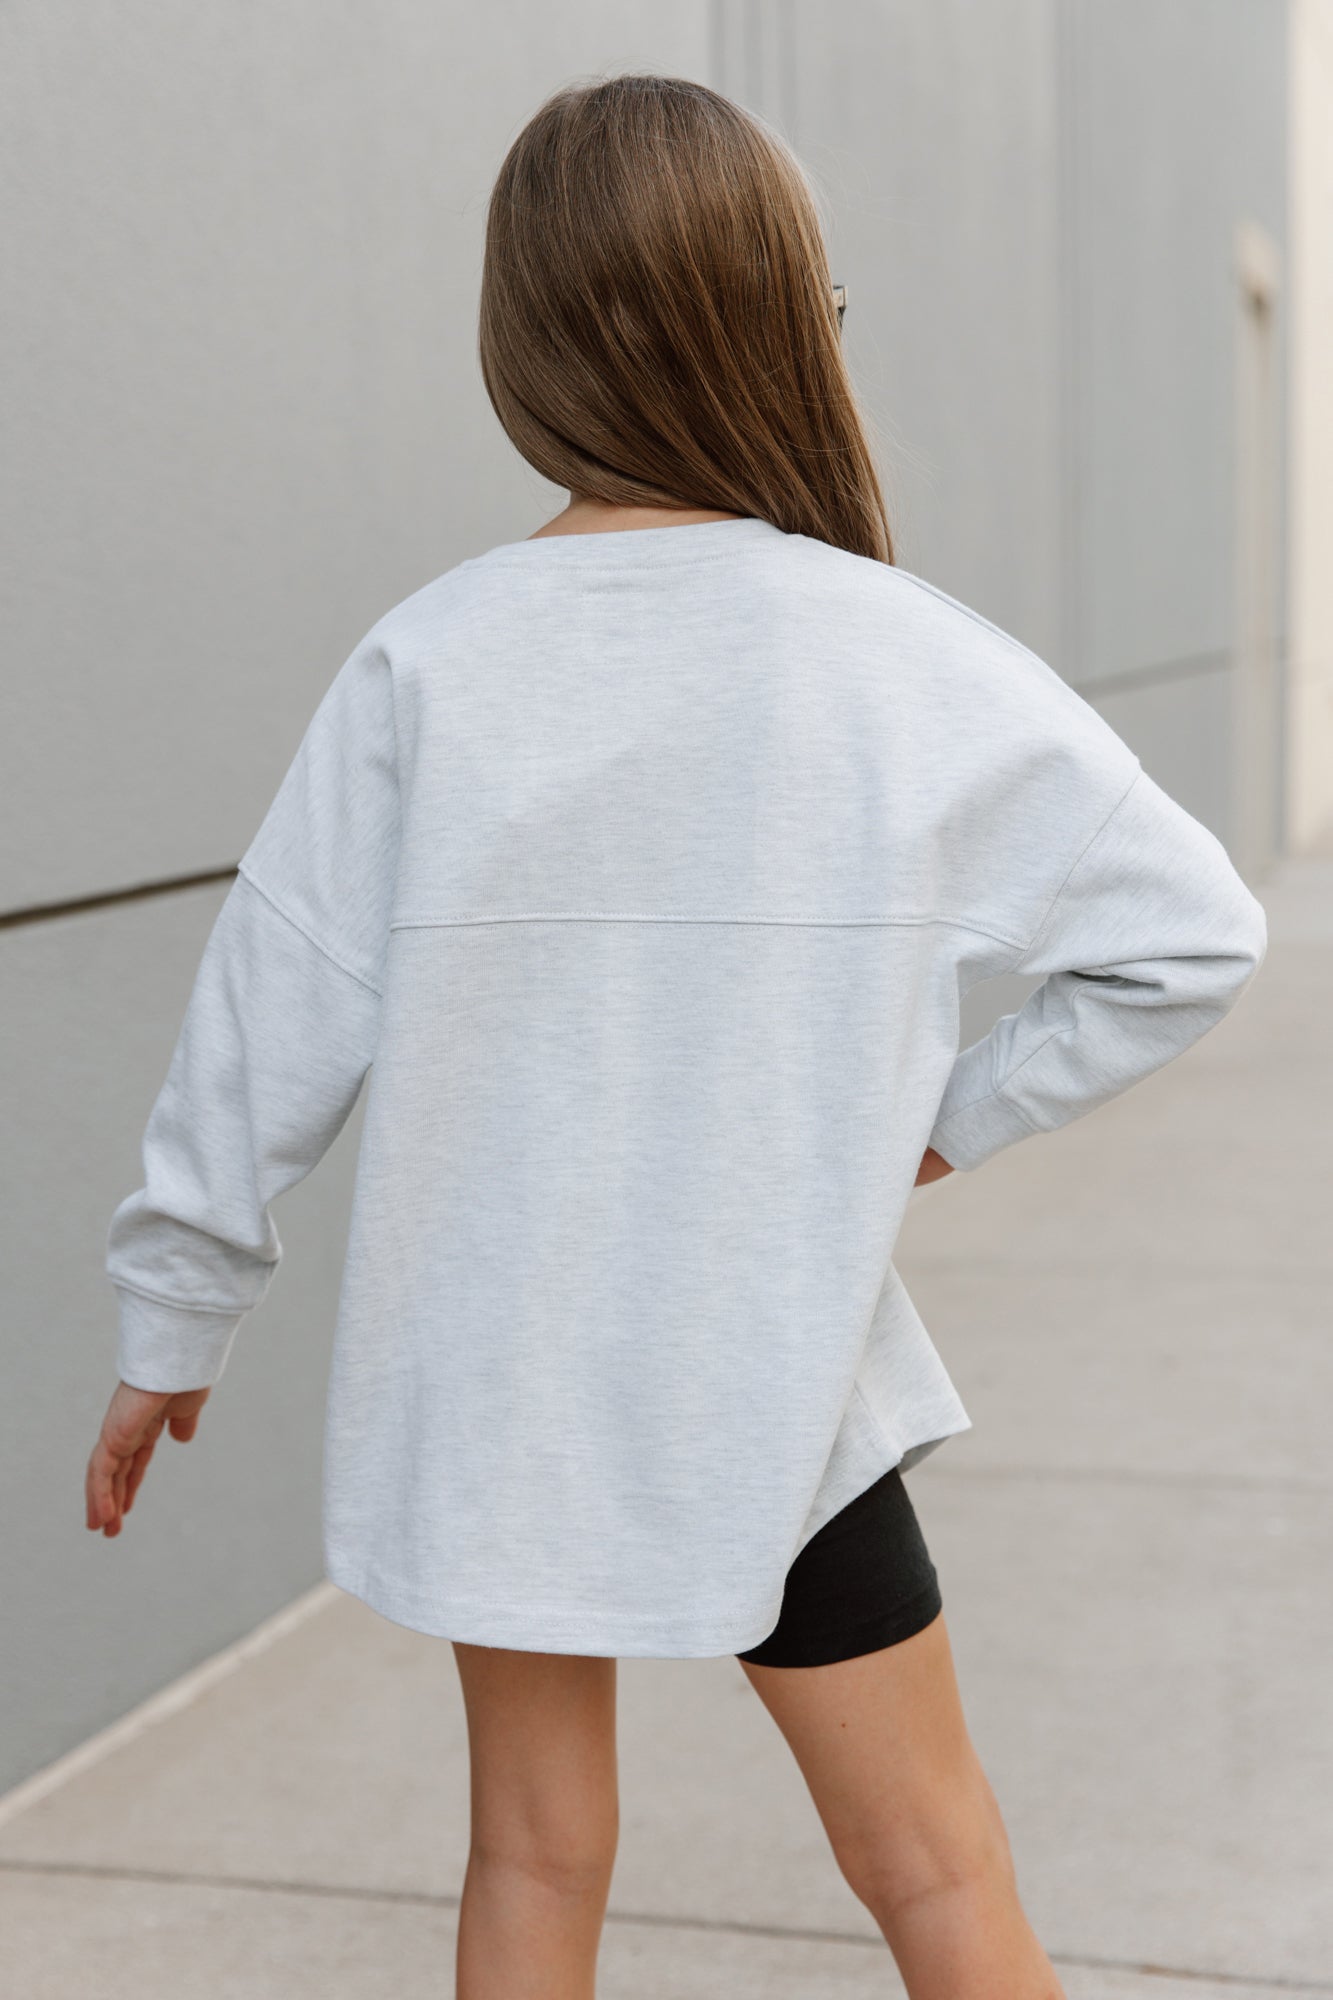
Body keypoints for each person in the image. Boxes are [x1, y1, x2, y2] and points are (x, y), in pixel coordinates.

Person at [85, 73, 1267, 2000]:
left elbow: (261, 1017)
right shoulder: (897, 655)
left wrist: (171, 1321)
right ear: (787, 322)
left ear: (520, 338)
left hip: (503, 1377)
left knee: (531, 1860)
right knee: (936, 1867)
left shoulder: (429, 663)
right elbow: (1189, 935)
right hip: (771, 1374)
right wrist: (949, 1116)